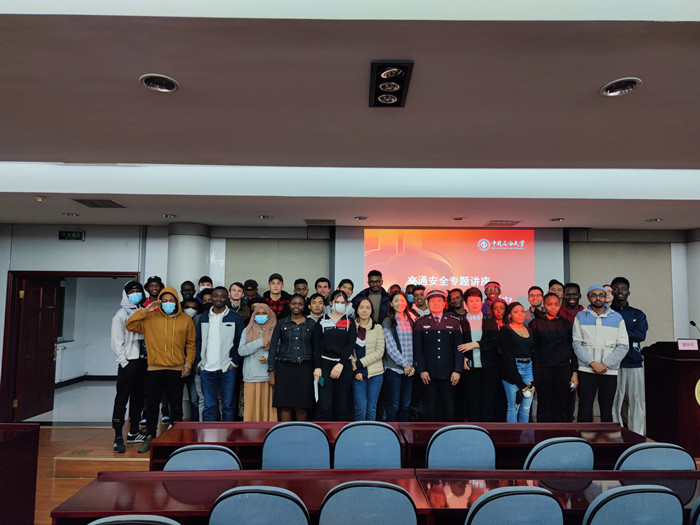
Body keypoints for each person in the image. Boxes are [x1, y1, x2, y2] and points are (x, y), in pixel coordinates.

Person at [125, 286, 195, 452]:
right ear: (159, 302)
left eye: (171, 300)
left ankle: (178, 437)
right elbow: (130, 325)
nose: (168, 303)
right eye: (164, 301)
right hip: (154, 369)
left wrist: (188, 363)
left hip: (177, 369)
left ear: (177, 302)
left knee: (176, 404)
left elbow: (191, 344)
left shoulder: (186, 320)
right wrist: (145, 310)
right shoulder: (150, 318)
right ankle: (150, 436)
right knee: (152, 405)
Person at [573, 285, 629, 422]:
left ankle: (606, 436)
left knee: (607, 409)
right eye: (594, 295)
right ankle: (584, 435)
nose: (598, 298)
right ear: (588, 298)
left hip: (608, 371)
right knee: (585, 408)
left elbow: (623, 346)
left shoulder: (617, 317)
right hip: (587, 370)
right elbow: (577, 344)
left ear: (605, 297)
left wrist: (605, 365)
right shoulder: (580, 316)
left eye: (601, 295)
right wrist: (592, 363)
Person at [196, 286, 245, 422]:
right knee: (209, 406)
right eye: (216, 296)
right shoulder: (204, 317)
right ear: (211, 298)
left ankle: (227, 435)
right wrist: (199, 363)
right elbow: (198, 341)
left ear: (227, 298)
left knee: (228, 405)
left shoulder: (235, 317)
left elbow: (240, 341)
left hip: (227, 368)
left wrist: (234, 362)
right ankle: (209, 435)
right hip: (206, 368)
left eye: (222, 296)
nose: (219, 299)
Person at [269, 294, 321, 422]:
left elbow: (316, 349)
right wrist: (272, 372)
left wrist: (317, 368)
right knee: (284, 405)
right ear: (289, 305)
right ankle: (286, 432)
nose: (296, 306)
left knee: (302, 407)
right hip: (284, 368)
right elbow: (273, 347)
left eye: (300, 304)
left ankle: (301, 433)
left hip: (305, 369)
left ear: (304, 306)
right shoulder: (281, 323)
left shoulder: (311, 324)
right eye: (294, 304)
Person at [413, 288, 463, 422]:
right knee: (430, 410)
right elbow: (418, 349)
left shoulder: (454, 322)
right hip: (428, 374)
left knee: (449, 409)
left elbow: (458, 349)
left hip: (449, 374)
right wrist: (422, 370)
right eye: (432, 301)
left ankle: (449, 434)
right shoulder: (420, 322)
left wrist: (457, 370)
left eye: (439, 301)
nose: (436, 304)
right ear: (427, 303)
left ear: (444, 303)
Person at [110, 280, 147, 453]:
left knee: (139, 398)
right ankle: (118, 435)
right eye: (131, 292)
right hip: (128, 362)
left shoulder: (144, 311)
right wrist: (124, 363)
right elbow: (116, 342)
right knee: (122, 399)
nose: (135, 294)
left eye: (138, 291)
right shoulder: (121, 314)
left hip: (143, 362)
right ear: (126, 294)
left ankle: (133, 432)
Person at [530, 293, 578, 422]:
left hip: (563, 368)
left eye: (556, 305)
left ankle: (562, 431)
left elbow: (571, 348)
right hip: (543, 369)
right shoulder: (535, 323)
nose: (553, 307)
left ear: (560, 305)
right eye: (549, 304)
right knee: (544, 402)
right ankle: (543, 432)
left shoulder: (565, 323)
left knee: (562, 402)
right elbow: (534, 350)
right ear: (544, 305)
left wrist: (574, 371)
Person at [610, 277, 648, 434]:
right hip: (613, 364)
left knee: (636, 400)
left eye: (623, 288)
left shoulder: (637, 314)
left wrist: (619, 333)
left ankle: (638, 433)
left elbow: (640, 335)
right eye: (616, 288)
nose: (620, 291)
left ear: (628, 292)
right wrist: (628, 334)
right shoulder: (608, 313)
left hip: (634, 362)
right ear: (612, 291)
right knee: (615, 401)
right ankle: (617, 433)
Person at [314, 290, 357, 420]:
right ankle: (322, 431)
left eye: (342, 302)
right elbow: (315, 345)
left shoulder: (350, 321)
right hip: (325, 365)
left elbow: (351, 344)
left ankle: (339, 432)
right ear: (331, 303)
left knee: (342, 406)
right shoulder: (322, 320)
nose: (339, 304)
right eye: (337, 302)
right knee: (325, 405)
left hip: (343, 366)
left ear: (347, 304)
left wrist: (341, 363)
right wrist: (317, 367)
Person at [460, 287, 501, 422]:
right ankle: (474, 430)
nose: (474, 304)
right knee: (472, 403)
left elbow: (495, 340)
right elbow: (457, 343)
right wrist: (462, 357)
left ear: (482, 302)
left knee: (488, 402)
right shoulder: (461, 321)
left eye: (477, 300)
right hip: (470, 369)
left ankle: (487, 430)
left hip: (489, 368)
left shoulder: (489, 319)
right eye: (471, 301)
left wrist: (475, 344)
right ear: (465, 303)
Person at [238, 303, 278, 421]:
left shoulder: (275, 329)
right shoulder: (247, 330)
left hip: (267, 376)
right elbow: (241, 351)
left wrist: (267, 356)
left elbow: (279, 350)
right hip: (251, 375)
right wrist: (259, 343)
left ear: (269, 314)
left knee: (266, 409)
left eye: (264, 313)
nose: (261, 316)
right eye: (258, 313)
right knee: (252, 410)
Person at [382, 291, 416, 421]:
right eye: (396, 301)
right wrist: (405, 365)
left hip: (410, 370)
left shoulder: (411, 320)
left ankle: (404, 431)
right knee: (394, 404)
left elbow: (416, 344)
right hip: (394, 369)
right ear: (391, 303)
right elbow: (390, 347)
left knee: (406, 405)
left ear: (406, 303)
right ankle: (392, 431)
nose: (399, 303)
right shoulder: (388, 321)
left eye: (402, 300)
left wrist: (412, 366)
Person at [499, 302, 536, 422]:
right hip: (512, 370)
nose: (520, 314)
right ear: (510, 315)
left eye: (522, 311)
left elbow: (534, 353)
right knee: (513, 407)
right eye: (516, 312)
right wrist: (520, 383)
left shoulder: (529, 330)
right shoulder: (505, 330)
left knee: (526, 408)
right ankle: (513, 434)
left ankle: (524, 434)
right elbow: (507, 357)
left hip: (528, 368)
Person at [351, 298, 386, 421]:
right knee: (360, 409)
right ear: (357, 310)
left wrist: (360, 363)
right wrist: (356, 370)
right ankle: (358, 432)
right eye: (361, 307)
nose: (364, 310)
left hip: (375, 373)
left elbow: (380, 351)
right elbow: (347, 350)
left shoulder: (378, 328)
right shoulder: (351, 326)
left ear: (371, 310)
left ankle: (371, 432)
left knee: (371, 408)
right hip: (357, 373)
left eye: (367, 308)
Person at [181, 298, 202, 421]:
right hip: (178, 364)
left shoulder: (199, 322)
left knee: (195, 398)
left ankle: (194, 423)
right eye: (187, 307)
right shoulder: (178, 322)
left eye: (193, 308)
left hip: (194, 366)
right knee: (175, 396)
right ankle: (173, 422)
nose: (190, 310)